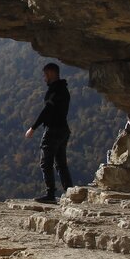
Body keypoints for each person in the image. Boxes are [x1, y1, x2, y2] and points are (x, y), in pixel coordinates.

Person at [25, 62, 73, 203]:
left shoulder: (55, 91)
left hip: (53, 129)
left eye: (45, 75)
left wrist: (33, 128)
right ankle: (70, 192)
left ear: (51, 74)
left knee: (46, 162)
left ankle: (50, 194)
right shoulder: (63, 89)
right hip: (64, 129)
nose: (44, 78)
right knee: (61, 163)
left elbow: (47, 111)